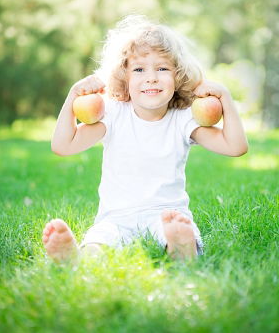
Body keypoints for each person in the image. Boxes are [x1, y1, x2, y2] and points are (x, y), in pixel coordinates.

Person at [42, 15, 248, 262]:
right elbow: (63, 146)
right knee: (99, 242)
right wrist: (73, 96)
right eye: (139, 69)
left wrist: (224, 97)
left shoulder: (182, 118)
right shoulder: (114, 114)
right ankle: (74, 257)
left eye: (162, 68)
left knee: (182, 237)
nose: (151, 77)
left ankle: (181, 247)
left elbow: (235, 147)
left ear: (178, 76)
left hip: (167, 216)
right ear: (124, 77)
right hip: (116, 217)